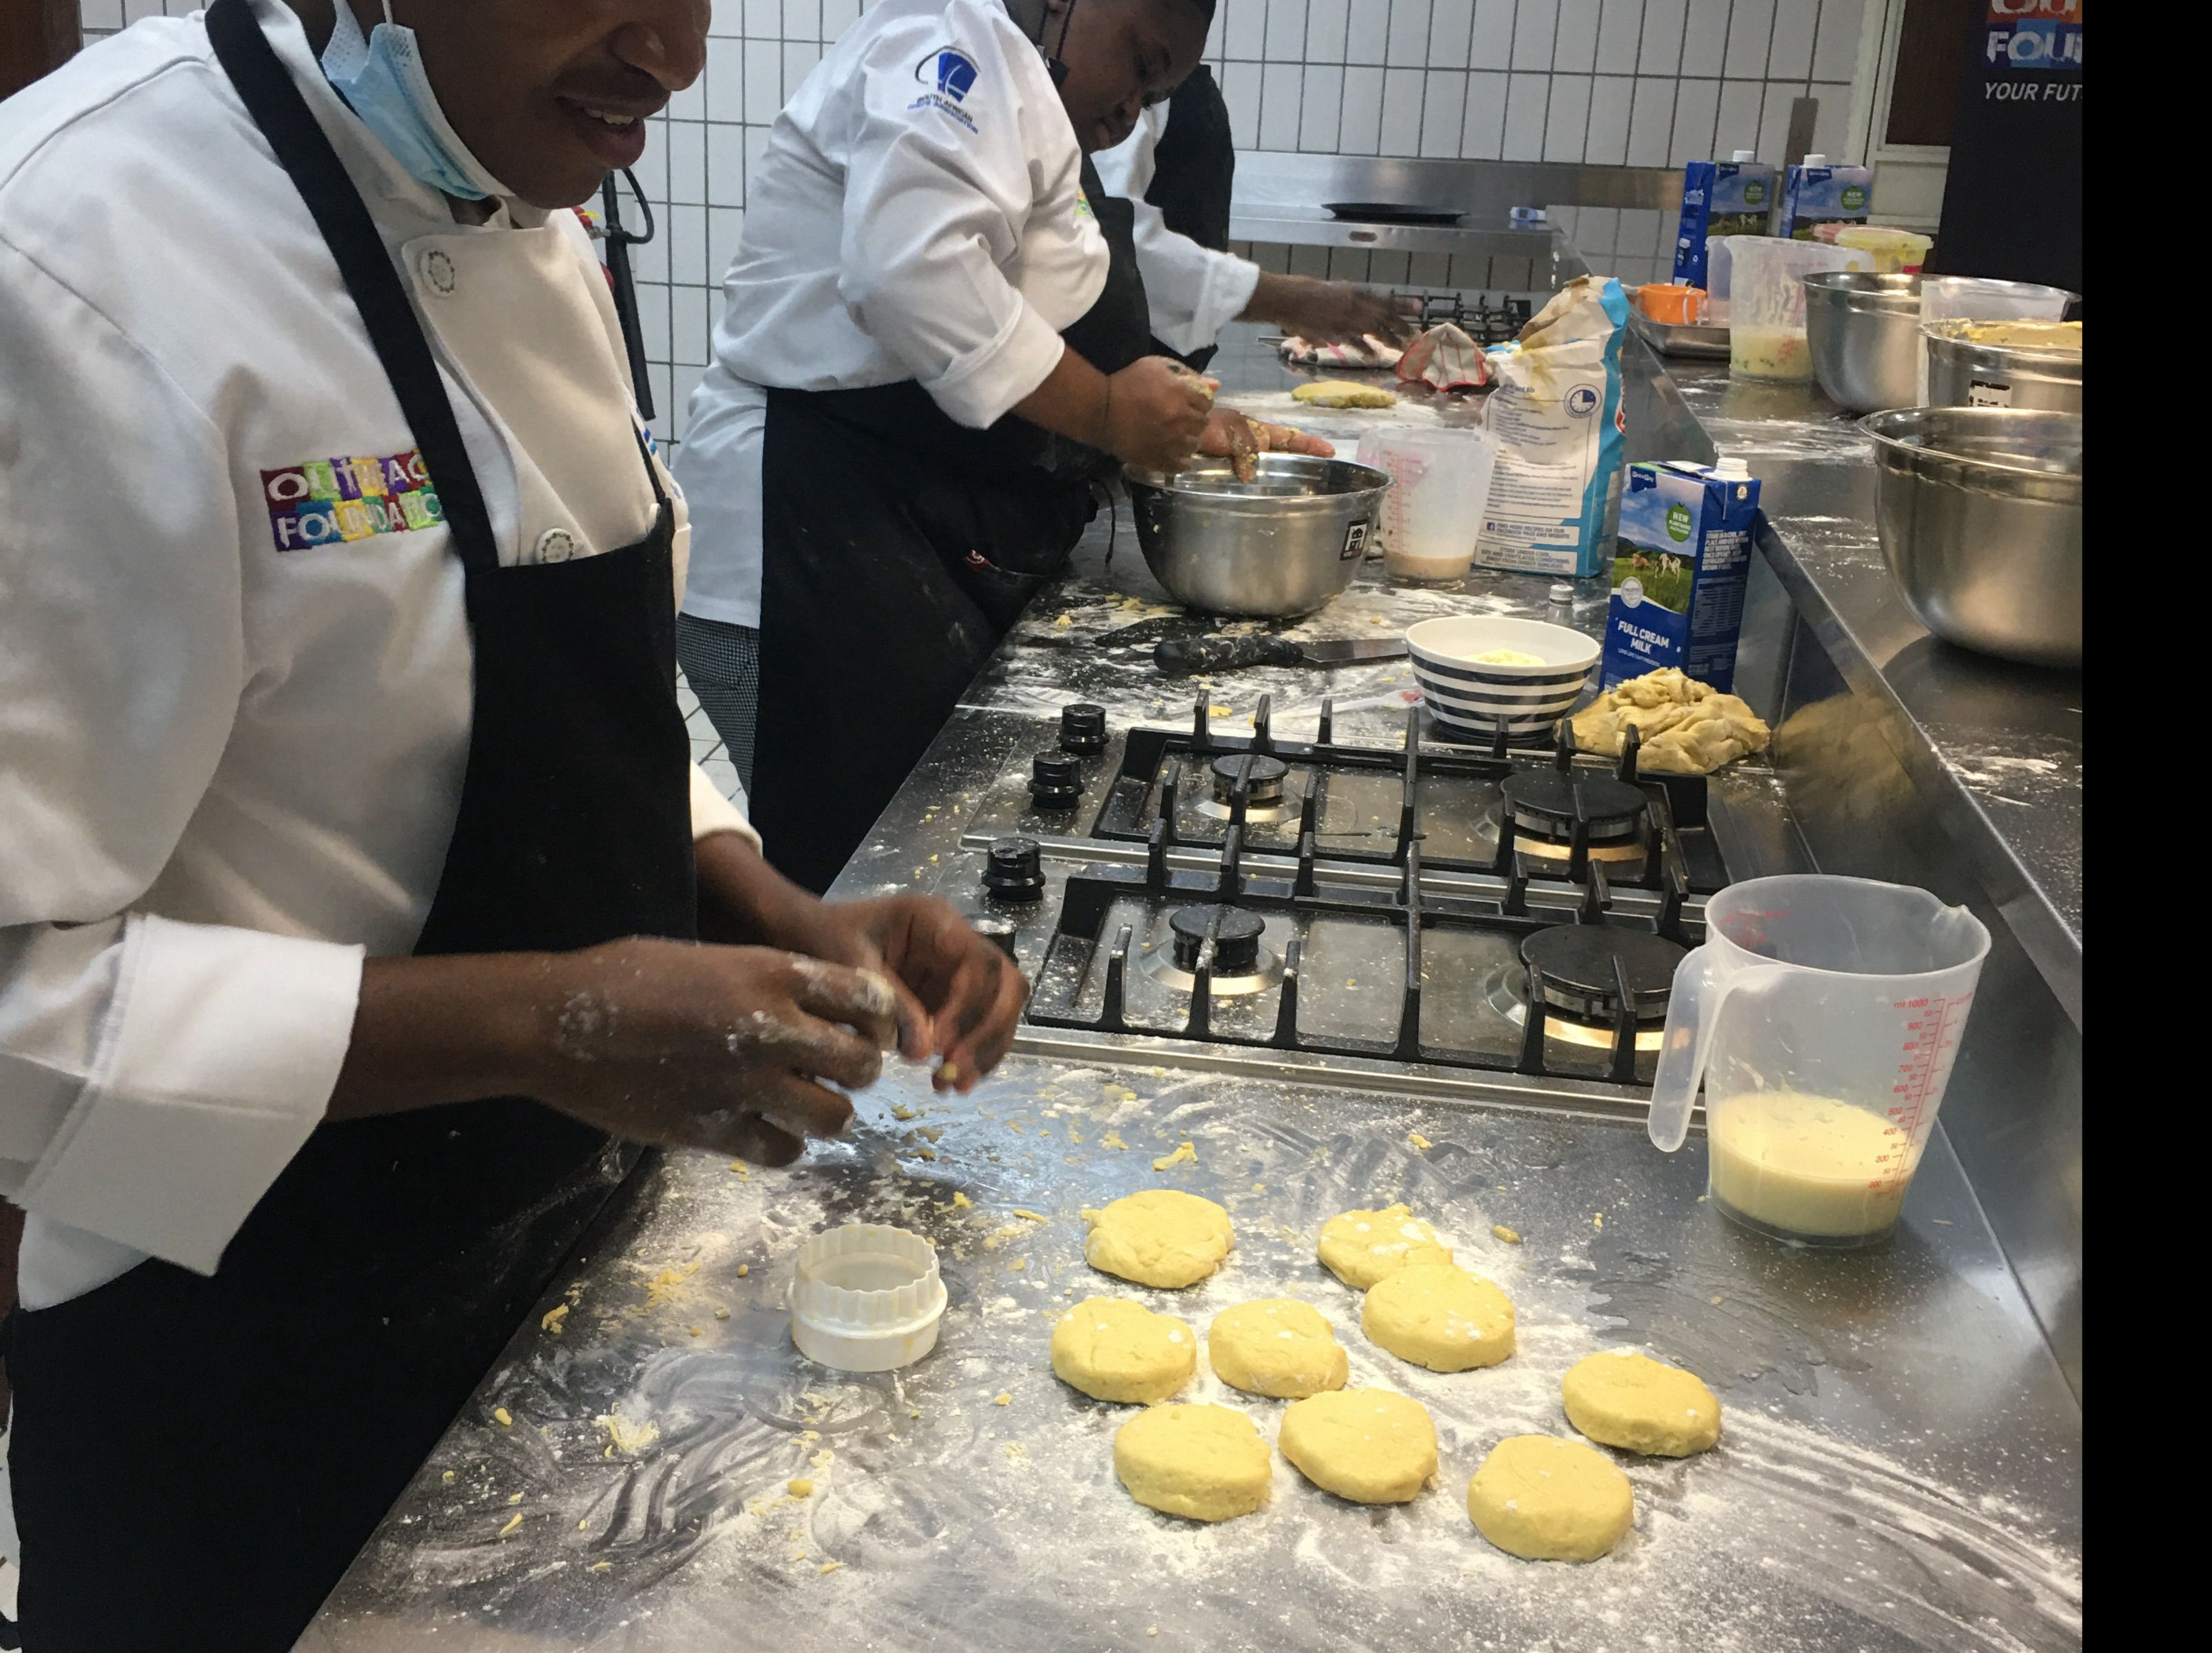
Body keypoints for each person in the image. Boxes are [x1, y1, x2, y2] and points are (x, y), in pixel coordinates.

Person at [0, 2, 1023, 1647]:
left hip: (553, 1285)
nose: (674, 54)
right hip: (246, 1378)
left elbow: (565, 667)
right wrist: (548, 1022)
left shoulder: (517, 193)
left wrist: (762, 898)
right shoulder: (70, 264)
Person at [674, 0, 1401, 893]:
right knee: (851, 883)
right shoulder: (949, 45)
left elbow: (1073, 297)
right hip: (787, 538)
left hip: (878, 523)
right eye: (1139, 62)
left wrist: (1176, 406)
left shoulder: (1034, 118)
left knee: (916, 872)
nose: (1133, 108)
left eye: (1157, 90)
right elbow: (908, 274)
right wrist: (1103, 411)